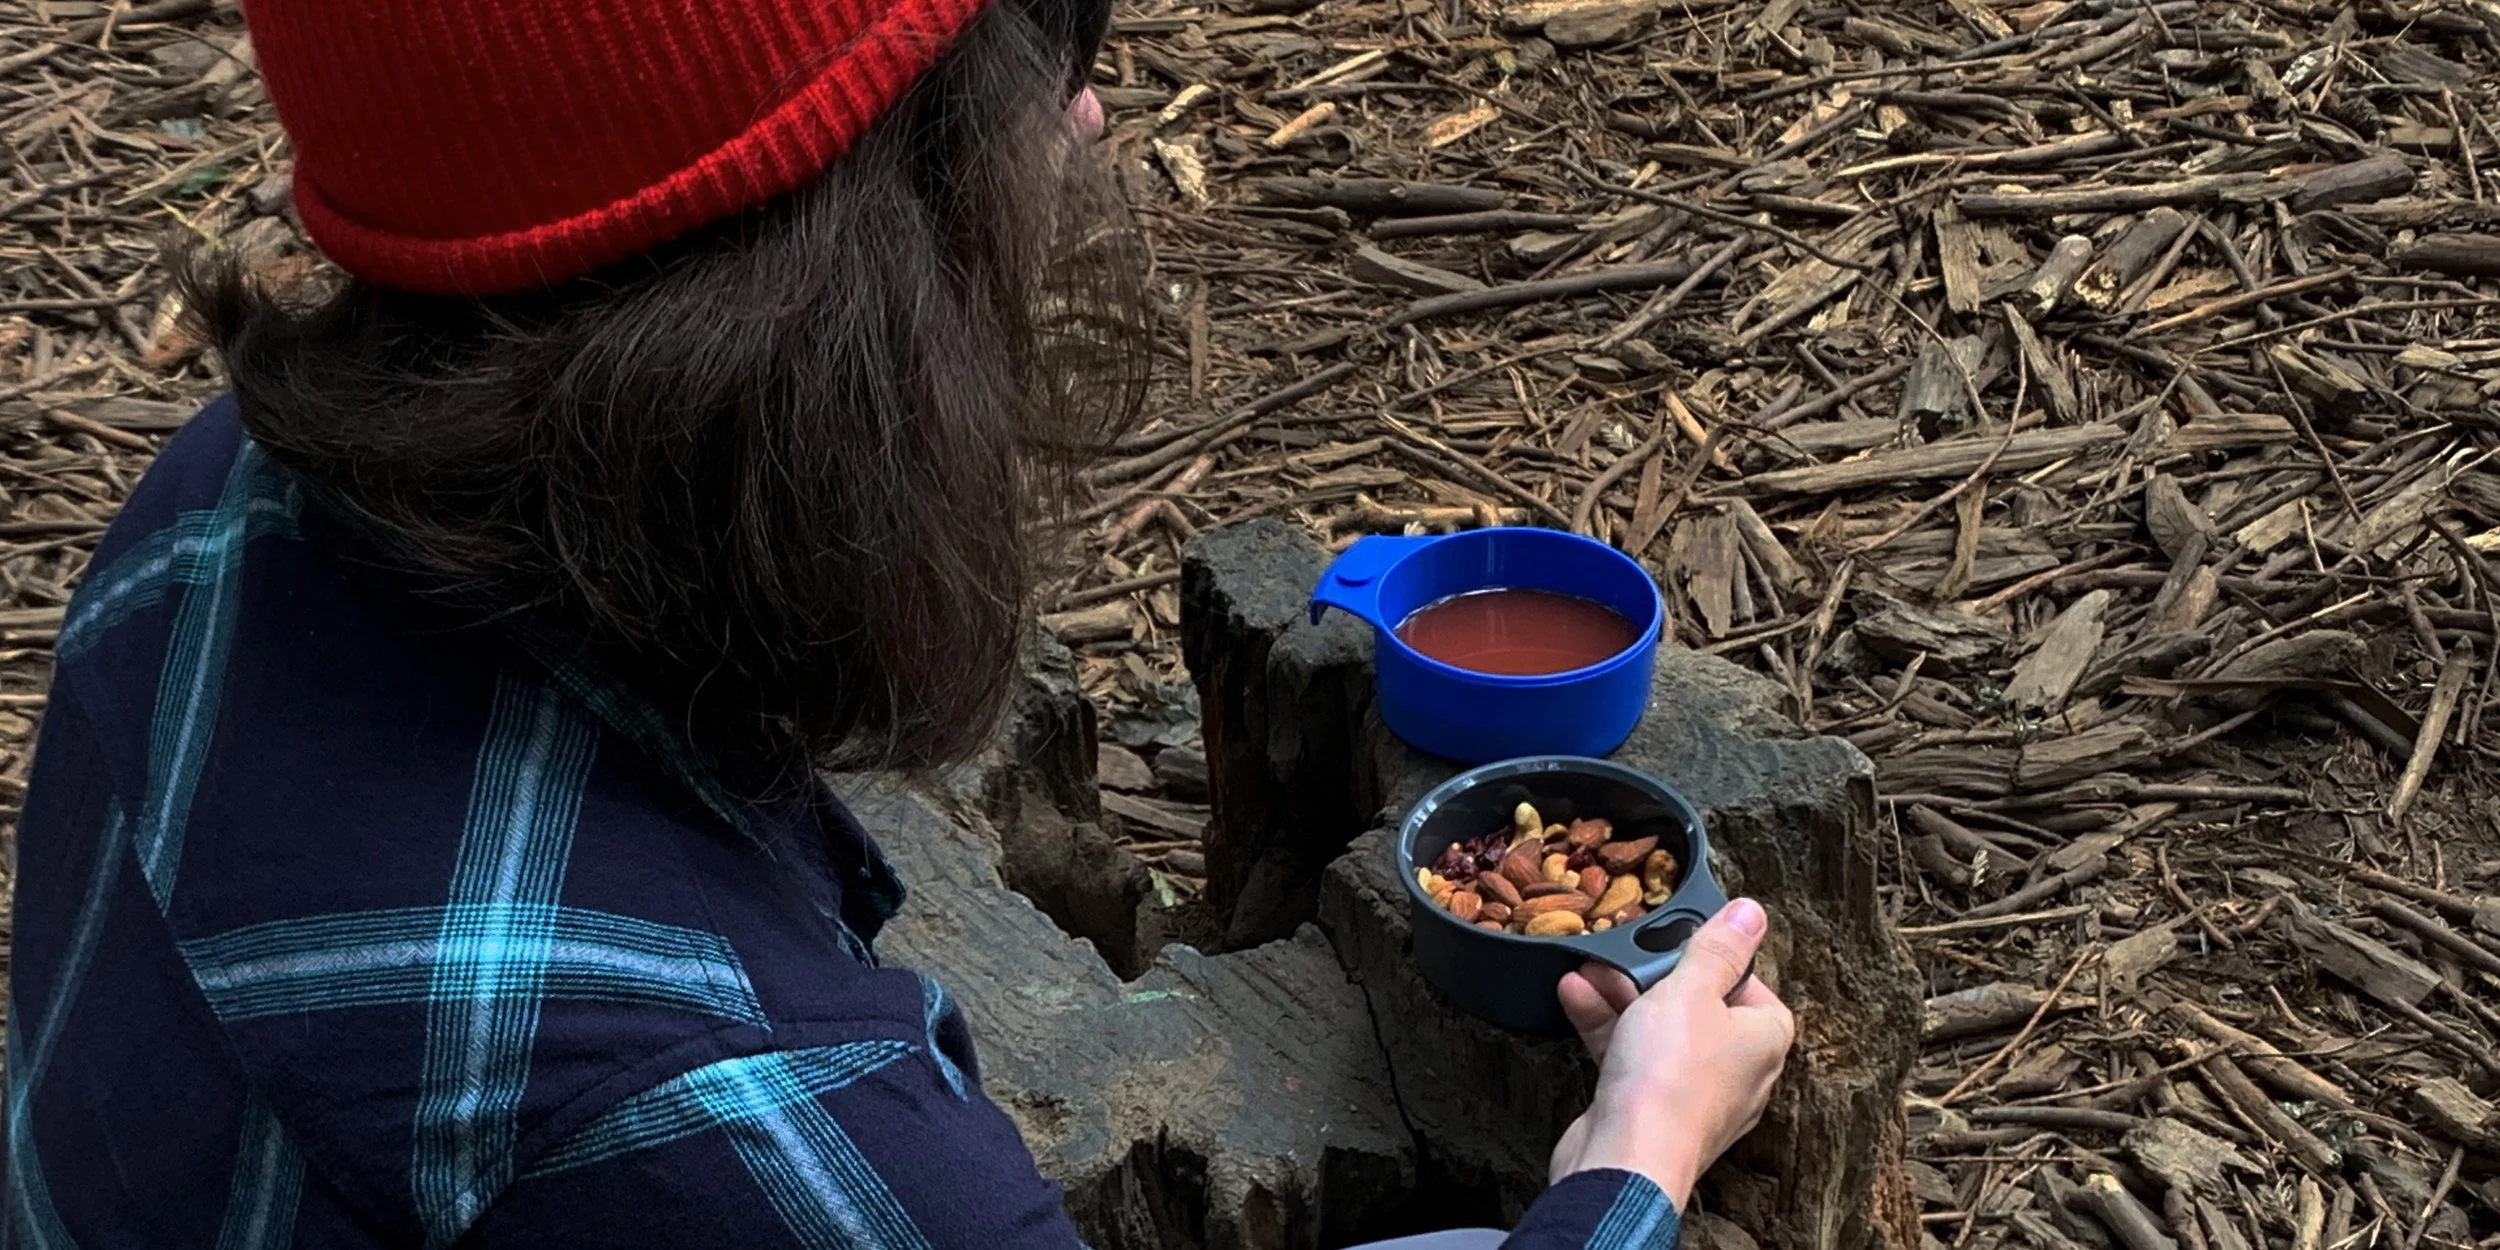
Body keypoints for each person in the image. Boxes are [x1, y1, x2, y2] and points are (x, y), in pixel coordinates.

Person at [0, 0, 1794, 1243]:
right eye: (1030, 49)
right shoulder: (734, 1125)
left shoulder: (215, 513)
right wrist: (1631, 1158)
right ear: (816, 277)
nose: (1086, 112)